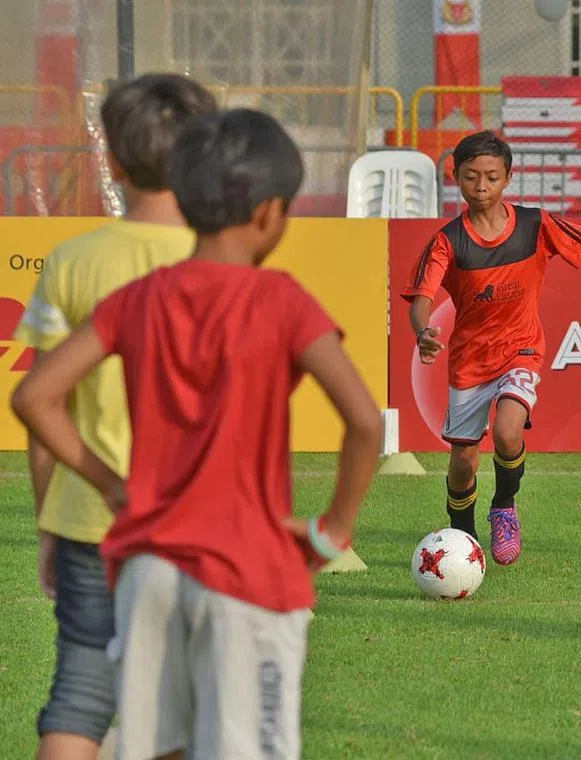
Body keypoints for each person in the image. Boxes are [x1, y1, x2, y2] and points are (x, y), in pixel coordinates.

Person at [11, 108, 383, 759]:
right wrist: (335, 528)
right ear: (269, 212)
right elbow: (365, 421)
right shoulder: (282, 300)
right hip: (245, 571)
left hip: (147, 571)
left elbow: (35, 396)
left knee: (159, 747)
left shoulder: (138, 298)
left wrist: (111, 485)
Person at [12, 73, 216, 760]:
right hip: (198, 527)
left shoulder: (72, 262)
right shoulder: (228, 266)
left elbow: (44, 409)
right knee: (182, 709)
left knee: (80, 696)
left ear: (115, 163)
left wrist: (51, 520)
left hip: (89, 522)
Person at [403, 130, 581, 566]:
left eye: (491, 177)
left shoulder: (534, 225)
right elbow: (421, 301)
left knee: (509, 432)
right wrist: (423, 332)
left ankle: (504, 506)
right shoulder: (448, 241)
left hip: (521, 350)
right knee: (463, 463)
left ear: (508, 178)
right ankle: (463, 539)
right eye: (471, 176)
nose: (481, 186)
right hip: (470, 362)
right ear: (456, 178)